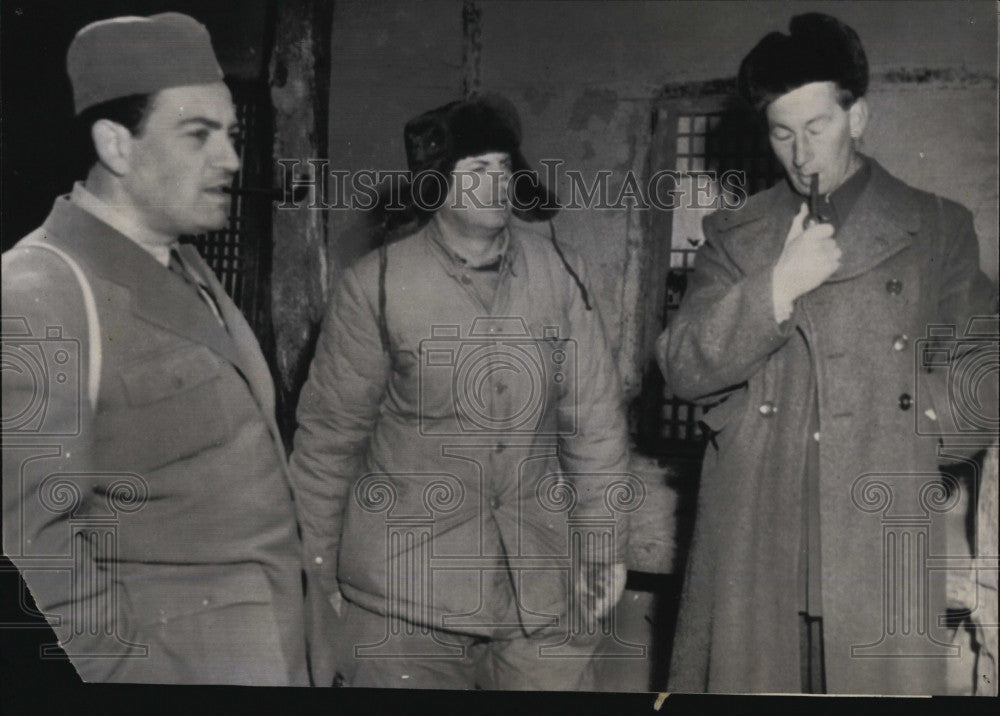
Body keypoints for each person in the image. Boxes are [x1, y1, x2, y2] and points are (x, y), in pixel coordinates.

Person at [658, 13, 997, 694]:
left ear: (859, 116)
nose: (800, 153)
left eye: (818, 128)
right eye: (782, 134)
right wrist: (776, 286)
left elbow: (982, 381)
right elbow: (680, 366)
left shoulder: (936, 228)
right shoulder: (737, 236)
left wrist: (899, 422)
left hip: (876, 533)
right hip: (756, 532)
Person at [1, 13, 308, 685]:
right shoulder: (40, 289)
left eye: (229, 133)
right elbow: (33, 550)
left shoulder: (184, 262)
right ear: (115, 144)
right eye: (197, 135)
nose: (230, 158)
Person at [290, 94, 632, 689]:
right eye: (477, 170)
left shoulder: (561, 272)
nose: (497, 184)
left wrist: (604, 547)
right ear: (437, 186)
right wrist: (316, 577)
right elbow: (327, 444)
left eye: (503, 167)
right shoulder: (376, 286)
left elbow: (594, 425)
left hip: (539, 591)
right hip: (403, 602)